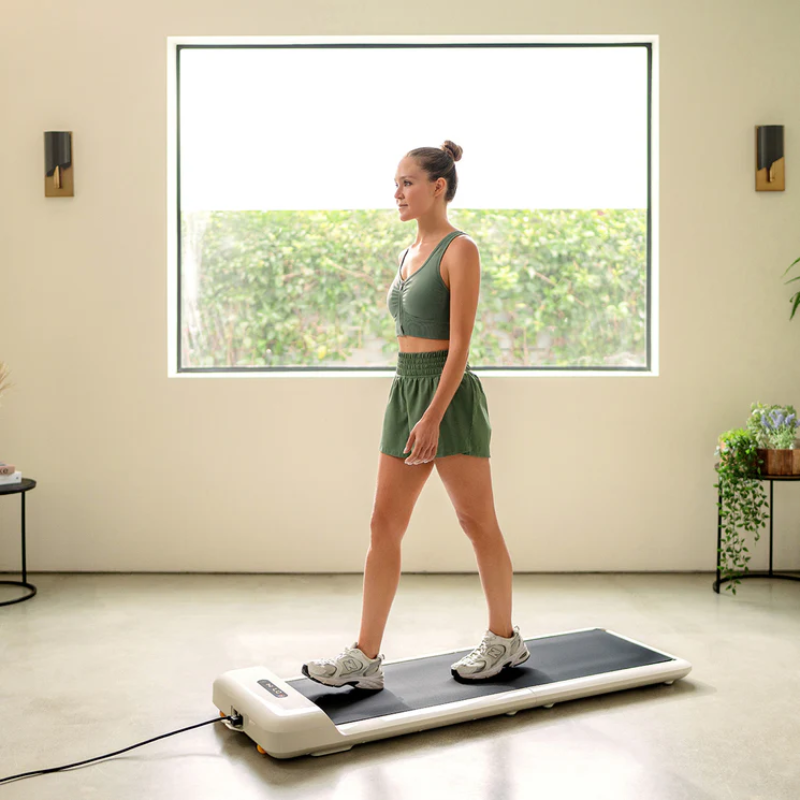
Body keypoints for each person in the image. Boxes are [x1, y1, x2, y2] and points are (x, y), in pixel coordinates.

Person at [302, 141, 529, 691]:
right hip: (406, 388)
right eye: (396, 182)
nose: (397, 192)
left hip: (447, 396)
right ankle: (366, 657)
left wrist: (432, 417)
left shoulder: (460, 250)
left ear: (438, 187)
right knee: (384, 525)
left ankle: (505, 639)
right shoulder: (408, 253)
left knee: (476, 522)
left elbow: (459, 348)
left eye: (407, 182)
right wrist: (415, 410)